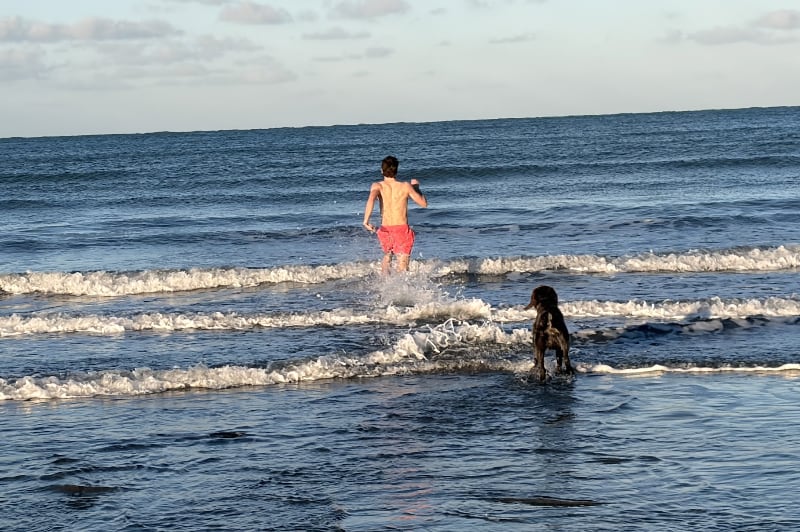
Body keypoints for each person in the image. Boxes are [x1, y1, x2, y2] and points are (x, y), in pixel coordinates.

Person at [363, 155, 428, 274]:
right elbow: (423, 204)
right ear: (396, 171)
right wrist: (416, 187)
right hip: (402, 229)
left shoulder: (378, 186)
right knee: (403, 261)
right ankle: (401, 288)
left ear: (381, 170)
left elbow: (371, 199)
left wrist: (366, 220)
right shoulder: (405, 186)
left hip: (385, 229)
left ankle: (384, 284)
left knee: (387, 256)